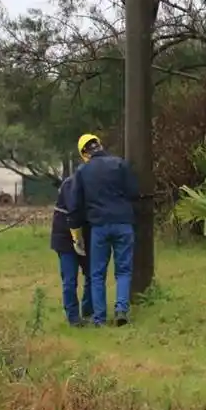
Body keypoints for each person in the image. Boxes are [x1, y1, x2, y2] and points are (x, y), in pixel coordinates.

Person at [67, 134, 139, 327]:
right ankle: (121, 309)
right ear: (100, 145)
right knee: (123, 270)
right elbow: (134, 192)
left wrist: (77, 233)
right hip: (123, 222)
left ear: (84, 153)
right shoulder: (120, 164)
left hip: (99, 226)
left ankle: (99, 318)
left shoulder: (82, 171)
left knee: (97, 273)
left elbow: (74, 205)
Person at [51, 176, 92, 327]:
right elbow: (74, 211)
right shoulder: (72, 184)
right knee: (70, 279)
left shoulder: (86, 183)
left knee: (92, 275)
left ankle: (88, 311)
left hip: (84, 237)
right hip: (65, 238)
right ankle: (73, 317)